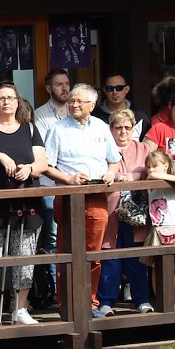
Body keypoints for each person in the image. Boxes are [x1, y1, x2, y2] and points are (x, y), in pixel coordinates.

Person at [44, 83, 121, 319]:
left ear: (92, 105)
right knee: (66, 251)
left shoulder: (100, 127)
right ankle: (66, 305)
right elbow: (46, 165)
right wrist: (69, 178)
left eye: (80, 101)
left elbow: (114, 160)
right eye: (72, 101)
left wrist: (110, 173)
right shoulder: (58, 129)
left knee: (93, 252)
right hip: (68, 196)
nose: (74, 105)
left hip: (97, 195)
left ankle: (90, 303)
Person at [0, 81, 47, 325]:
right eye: (1, 98)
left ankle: (20, 309)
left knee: (24, 258)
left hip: (26, 201)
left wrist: (29, 169)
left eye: (10, 97)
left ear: (18, 101)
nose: (6, 102)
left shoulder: (29, 129)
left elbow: (42, 162)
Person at [97, 109, 152, 315]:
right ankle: (106, 302)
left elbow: (152, 170)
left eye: (127, 128)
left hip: (137, 211)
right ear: (110, 129)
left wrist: (135, 178)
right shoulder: (102, 147)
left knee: (136, 257)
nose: (123, 132)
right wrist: (118, 176)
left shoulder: (143, 148)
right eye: (118, 127)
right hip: (111, 209)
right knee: (110, 256)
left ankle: (142, 300)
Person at [143, 91, 175, 301]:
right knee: (162, 243)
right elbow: (146, 157)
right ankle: (165, 295)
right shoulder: (159, 129)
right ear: (170, 109)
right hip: (162, 200)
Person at [32, 68, 71, 299]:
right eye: (59, 84)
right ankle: (55, 291)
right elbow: (45, 156)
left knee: (75, 235)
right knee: (53, 237)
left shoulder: (75, 112)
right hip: (49, 183)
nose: (64, 88)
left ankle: (72, 287)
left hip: (76, 184)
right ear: (48, 88)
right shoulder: (40, 116)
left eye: (67, 83)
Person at [141, 151, 175, 305]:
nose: (151, 170)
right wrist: (174, 178)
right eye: (148, 167)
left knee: (171, 266)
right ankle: (160, 300)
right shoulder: (152, 179)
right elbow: (152, 176)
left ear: (166, 165)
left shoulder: (174, 182)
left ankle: (170, 300)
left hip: (174, 227)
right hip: (157, 229)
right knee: (156, 267)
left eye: (155, 166)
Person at [91, 74, 151, 141]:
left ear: (127, 89)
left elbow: (146, 147)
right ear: (104, 90)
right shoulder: (94, 117)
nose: (115, 92)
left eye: (119, 88)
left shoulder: (140, 117)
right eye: (110, 88)